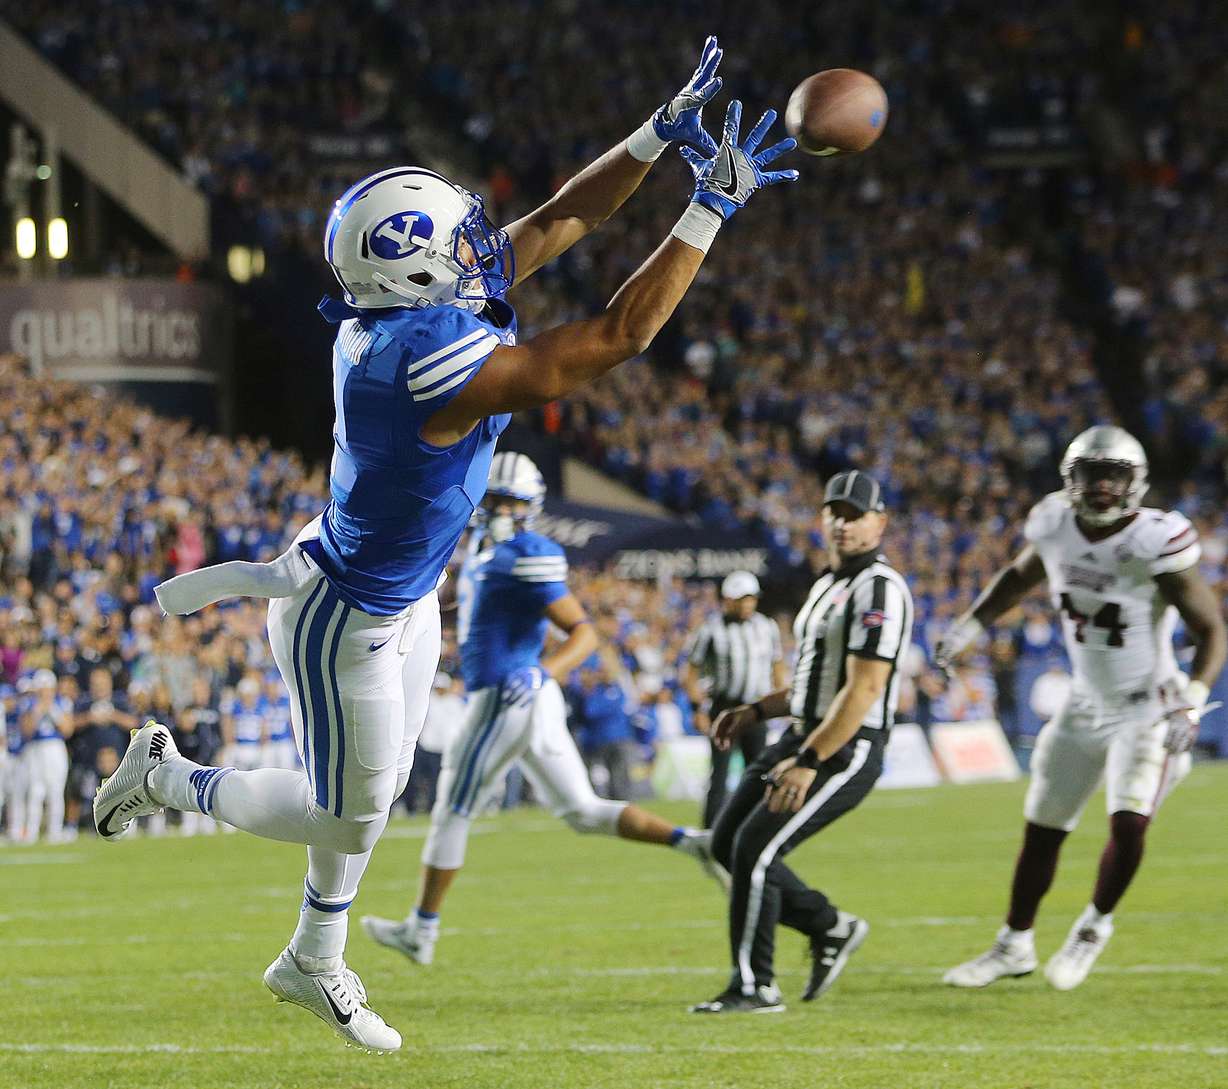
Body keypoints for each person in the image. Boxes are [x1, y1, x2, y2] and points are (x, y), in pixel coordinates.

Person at [94, 36, 797, 1051]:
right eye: (458, 242)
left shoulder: (406, 305)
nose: (480, 249)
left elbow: (557, 220)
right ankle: (168, 776)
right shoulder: (417, 356)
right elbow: (614, 338)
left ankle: (312, 958)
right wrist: (707, 209)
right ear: (416, 269)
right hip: (345, 615)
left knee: (369, 799)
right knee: (349, 817)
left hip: (401, 591)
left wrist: (653, 135)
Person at [361, 453, 721, 967]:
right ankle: (694, 843)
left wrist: (544, 671)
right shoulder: (484, 549)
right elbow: (483, 607)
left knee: (452, 811)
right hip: (523, 698)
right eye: (494, 499)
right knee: (582, 811)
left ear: (531, 507)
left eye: (510, 501)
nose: (500, 509)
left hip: (506, 694)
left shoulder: (529, 553)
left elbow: (583, 632)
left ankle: (422, 929)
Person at [938, 426, 1226, 992]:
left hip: (1148, 705)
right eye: (1092, 474)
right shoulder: (1052, 522)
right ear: (1071, 478)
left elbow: (1211, 628)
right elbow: (1017, 577)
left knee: (1129, 818)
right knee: (1043, 826)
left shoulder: (1155, 538)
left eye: (1114, 476)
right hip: (1084, 700)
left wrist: (1192, 701)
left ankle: (1094, 926)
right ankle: (1014, 943)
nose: (1102, 487)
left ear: (1135, 482)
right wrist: (970, 626)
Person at [691, 471, 914, 1013]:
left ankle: (755, 985)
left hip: (844, 746)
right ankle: (829, 925)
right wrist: (756, 710)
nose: (844, 524)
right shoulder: (827, 584)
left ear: (879, 523)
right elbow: (812, 685)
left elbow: (864, 689)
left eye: (856, 515)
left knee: (755, 849)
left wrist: (811, 758)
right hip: (800, 733)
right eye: (836, 513)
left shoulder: (879, 589)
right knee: (725, 842)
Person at [680, 570, 784, 827]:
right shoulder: (710, 630)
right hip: (724, 707)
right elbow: (690, 672)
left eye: (751, 598)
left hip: (757, 708)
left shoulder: (767, 627)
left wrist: (779, 703)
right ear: (727, 600)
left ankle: (754, 826)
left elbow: (777, 666)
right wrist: (697, 708)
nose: (747, 604)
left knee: (758, 771)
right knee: (720, 773)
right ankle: (711, 830)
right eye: (741, 599)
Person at [19, 669, 72, 843]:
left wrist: (52, 710)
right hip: (35, 748)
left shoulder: (62, 702)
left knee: (56, 790)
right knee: (36, 791)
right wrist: (38, 710)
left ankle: (54, 831)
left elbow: (67, 730)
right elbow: (26, 731)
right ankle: (31, 832)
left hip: (55, 747)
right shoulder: (29, 704)